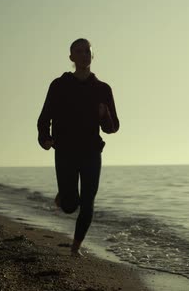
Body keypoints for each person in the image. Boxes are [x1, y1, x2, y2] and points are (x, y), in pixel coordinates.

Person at [37, 38, 119, 256]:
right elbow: (44, 118)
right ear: (71, 57)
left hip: (92, 152)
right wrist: (45, 138)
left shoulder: (103, 89)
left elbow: (112, 128)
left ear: (93, 56)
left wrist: (105, 115)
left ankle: (76, 247)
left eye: (87, 51)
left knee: (89, 200)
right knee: (70, 205)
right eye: (79, 51)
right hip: (64, 151)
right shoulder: (59, 86)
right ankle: (64, 195)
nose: (84, 55)